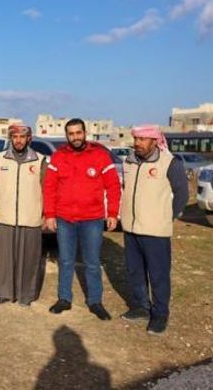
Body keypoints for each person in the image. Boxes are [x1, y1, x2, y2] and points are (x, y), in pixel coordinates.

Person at [43, 118, 121, 320]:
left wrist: (112, 213)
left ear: (85, 133)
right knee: (66, 261)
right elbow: (49, 187)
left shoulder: (100, 156)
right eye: (71, 133)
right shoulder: (58, 157)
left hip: (92, 219)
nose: (75, 137)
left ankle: (95, 301)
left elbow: (113, 186)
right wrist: (49, 214)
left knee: (92, 262)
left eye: (78, 133)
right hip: (64, 218)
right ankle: (64, 299)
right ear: (66, 135)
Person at [119, 125, 188, 335]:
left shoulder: (169, 163)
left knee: (158, 275)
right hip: (131, 229)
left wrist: (168, 216)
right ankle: (141, 307)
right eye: (136, 138)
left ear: (155, 141)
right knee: (135, 271)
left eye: (142, 139)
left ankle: (160, 314)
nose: (137, 143)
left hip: (156, 232)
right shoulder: (129, 162)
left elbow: (182, 194)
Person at [0, 124, 47, 306]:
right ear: (10, 138)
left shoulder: (39, 160)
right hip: (5, 217)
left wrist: (46, 213)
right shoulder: (0, 158)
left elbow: (46, 189)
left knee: (29, 258)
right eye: (15, 137)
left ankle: (26, 295)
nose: (19, 140)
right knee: (3, 258)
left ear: (29, 138)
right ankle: (3, 292)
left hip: (30, 217)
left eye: (23, 137)